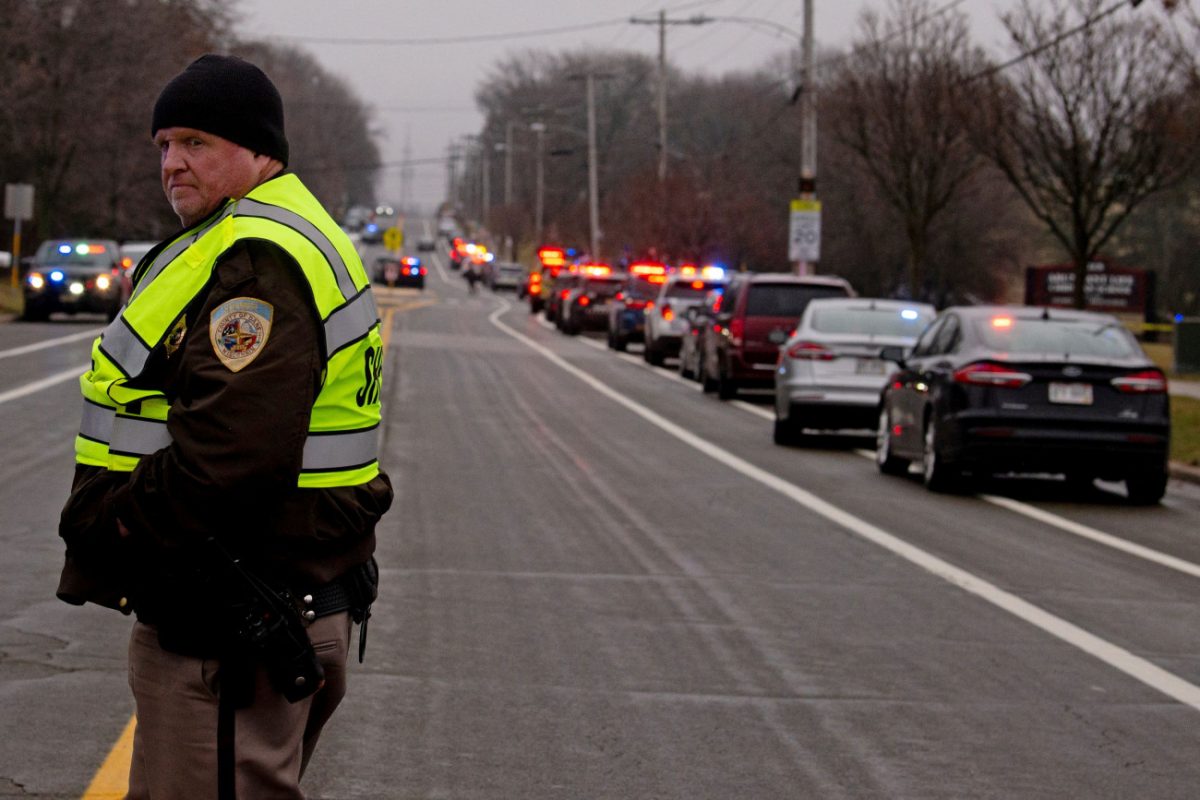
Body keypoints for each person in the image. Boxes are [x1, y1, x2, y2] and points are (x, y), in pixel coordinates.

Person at [55, 54, 393, 799]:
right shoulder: (252, 239)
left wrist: (115, 527)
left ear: (259, 149)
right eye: (164, 145)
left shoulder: (260, 261)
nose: (173, 163)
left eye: (196, 143)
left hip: (233, 620)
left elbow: (231, 456)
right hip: (259, 600)